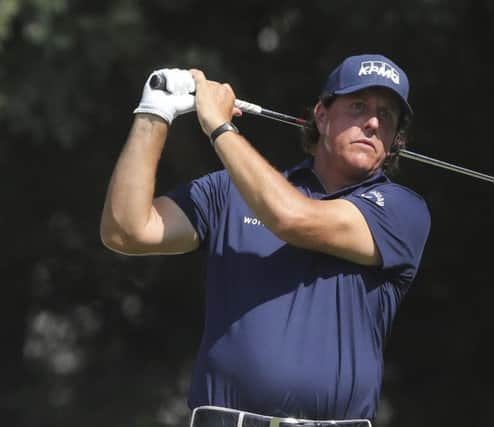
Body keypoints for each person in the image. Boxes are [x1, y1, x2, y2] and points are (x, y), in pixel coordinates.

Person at [100, 54, 431, 425]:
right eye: (358, 106)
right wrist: (153, 113)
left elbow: (293, 219)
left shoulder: (402, 211)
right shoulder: (229, 192)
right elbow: (126, 230)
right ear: (321, 116)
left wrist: (220, 128)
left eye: (386, 115)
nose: (372, 122)